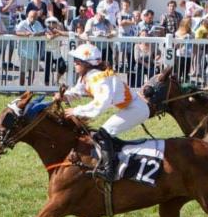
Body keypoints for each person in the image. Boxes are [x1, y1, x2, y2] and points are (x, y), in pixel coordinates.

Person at [54, 43, 151, 181]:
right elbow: (78, 91)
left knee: (102, 134)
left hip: (136, 109)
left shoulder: (99, 78)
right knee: (103, 133)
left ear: (87, 63)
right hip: (131, 107)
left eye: (78, 60)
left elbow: (100, 105)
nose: (74, 63)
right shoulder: (87, 76)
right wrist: (65, 96)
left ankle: (109, 171)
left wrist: (76, 110)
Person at [16, 10, 45, 86]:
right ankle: (21, 89)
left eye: (35, 17)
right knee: (23, 72)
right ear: (27, 16)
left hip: (34, 53)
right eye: (32, 16)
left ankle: (29, 89)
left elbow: (43, 32)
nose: (33, 18)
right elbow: (16, 32)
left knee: (32, 72)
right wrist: (25, 34)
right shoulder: (23, 23)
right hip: (23, 52)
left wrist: (37, 34)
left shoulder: (37, 23)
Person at [43, 16, 68, 86]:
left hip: (56, 52)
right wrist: (58, 34)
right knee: (47, 70)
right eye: (49, 22)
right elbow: (49, 37)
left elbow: (66, 34)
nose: (51, 24)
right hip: (48, 51)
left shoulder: (58, 30)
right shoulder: (45, 30)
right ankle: (47, 86)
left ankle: (56, 81)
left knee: (63, 66)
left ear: (56, 23)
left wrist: (58, 32)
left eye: (53, 22)